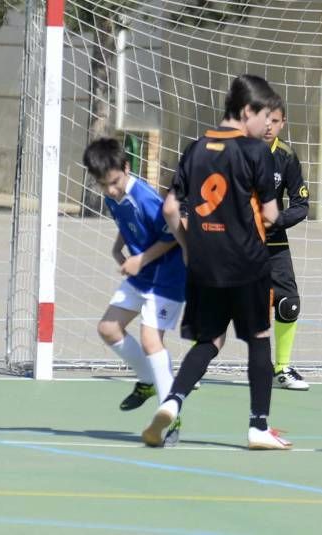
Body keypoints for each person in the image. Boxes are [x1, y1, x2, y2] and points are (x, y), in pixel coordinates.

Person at [141, 74, 291, 450]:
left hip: (204, 263)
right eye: (264, 118)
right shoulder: (255, 151)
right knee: (258, 340)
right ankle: (259, 426)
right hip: (247, 262)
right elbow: (271, 214)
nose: (268, 126)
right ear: (246, 111)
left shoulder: (195, 148)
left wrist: (189, 245)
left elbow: (172, 207)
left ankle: (172, 403)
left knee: (209, 341)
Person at [83, 138, 184, 433]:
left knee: (151, 340)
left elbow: (170, 237)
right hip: (142, 274)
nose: (111, 189)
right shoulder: (111, 197)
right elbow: (127, 225)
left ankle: (171, 409)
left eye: (114, 182)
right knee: (108, 328)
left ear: (127, 167)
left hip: (167, 274)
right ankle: (149, 380)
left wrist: (139, 260)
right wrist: (119, 247)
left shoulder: (147, 198)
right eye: (104, 185)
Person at [260, 97, 310, 391]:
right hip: (239, 243)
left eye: (275, 121)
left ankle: (281, 369)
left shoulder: (287, 157)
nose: (269, 126)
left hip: (274, 242)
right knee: (218, 303)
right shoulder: (235, 153)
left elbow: (301, 204)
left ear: (283, 124)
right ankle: (196, 365)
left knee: (288, 303)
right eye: (264, 119)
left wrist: (275, 220)